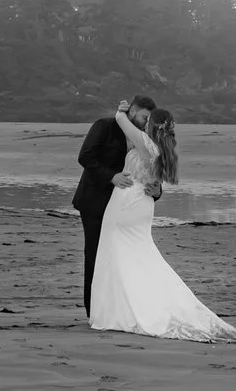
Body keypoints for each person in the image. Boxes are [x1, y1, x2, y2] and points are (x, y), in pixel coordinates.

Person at [86, 100, 236, 343]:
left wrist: (123, 109)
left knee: (118, 255)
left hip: (126, 204)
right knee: (140, 256)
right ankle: (129, 305)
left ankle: (119, 310)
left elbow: (122, 121)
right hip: (142, 206)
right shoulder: (161, 150)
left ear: (152, 125)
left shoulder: (145, 143)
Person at [71, 93, 154, 312]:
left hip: (124, 208)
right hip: (95, 201)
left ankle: (116, 307)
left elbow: (148, 174)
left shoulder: (142, 138)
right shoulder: (105, 126)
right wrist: (111, 176)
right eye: (145, 117)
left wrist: (156, 192)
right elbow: (85, 156)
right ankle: (94, 310)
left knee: (119, 257)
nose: (147, 122)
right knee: (95, 254)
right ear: (133, 112)